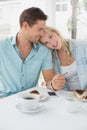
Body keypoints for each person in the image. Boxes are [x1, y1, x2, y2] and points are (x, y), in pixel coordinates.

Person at [0, 7, 56, 97]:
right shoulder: (2, 47)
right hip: (4, 100)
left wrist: (54, 84)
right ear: (25, 25)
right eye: (39, 29)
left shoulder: (44, 51)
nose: (42, 34)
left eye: (43, 29)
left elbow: (49, 82)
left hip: (31, 99)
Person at [39, 26, 87, 91]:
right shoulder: (51, 59)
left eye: (51, 36)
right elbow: (48, 84)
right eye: (46, 42)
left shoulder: (82, 46)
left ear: (56, 33)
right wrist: (53, 84)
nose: (52, 43)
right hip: (69, 96)